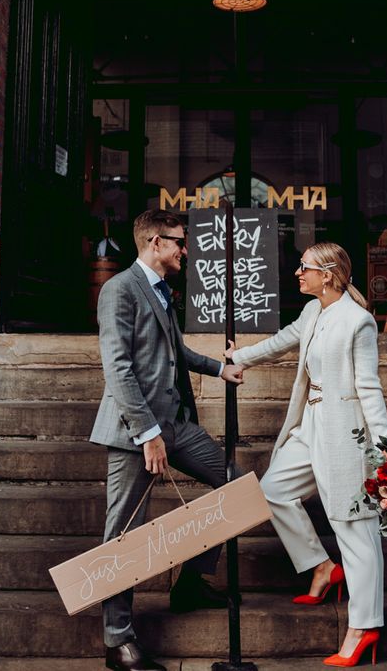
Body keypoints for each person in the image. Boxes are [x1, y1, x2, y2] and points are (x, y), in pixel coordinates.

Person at [90, 208, 245, 671]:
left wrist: (221, 368)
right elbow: (118, 368)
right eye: (179, 241)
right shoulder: (119, 289)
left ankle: (192, 581)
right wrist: (148, 433)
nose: (185, 249)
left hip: (177, 424)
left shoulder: (161, 291)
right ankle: (118, 639)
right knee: (123, 535)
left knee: (233, 485)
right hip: (136, 432)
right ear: (155, 243)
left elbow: (175, 351)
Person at [226, 242, 387, 667]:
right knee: (272, 490)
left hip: (345, 434)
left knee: (353, 526)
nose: (297, 274)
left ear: (329, 274)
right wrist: (238, 357)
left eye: (305, 268)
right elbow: (282, 342)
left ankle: (365, 626)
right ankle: (321, 567)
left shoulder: (358, 322)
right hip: (309, 427)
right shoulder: (313, 311)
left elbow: (369, 389)